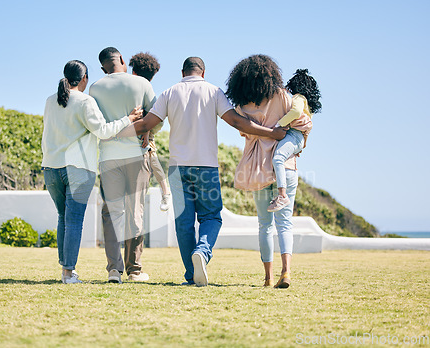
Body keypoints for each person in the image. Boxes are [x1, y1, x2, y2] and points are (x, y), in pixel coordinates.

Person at [114, 57, 287, 286]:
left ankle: (191, 276)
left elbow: (147, 123)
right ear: (202, 72)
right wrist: (270, 132)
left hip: (178, 168)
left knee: (183, 223)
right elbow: (236, 122)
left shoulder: (169, 93)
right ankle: (203, 252)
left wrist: (116, 132)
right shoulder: (213, 91)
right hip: (206, 166)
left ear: (182, 72)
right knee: (211, 216)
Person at [41, 60, 142, 284]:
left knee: (63, 217)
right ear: (84, 78)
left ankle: (66, 268)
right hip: (78, 169)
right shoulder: (86, 101)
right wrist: (129, 118)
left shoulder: (50, 101)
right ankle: (68, 272)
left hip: (50, 167)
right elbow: (104, 131)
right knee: (74, 220)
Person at [226, 54, 310, 289]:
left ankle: (268, 277)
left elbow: (244, 132)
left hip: (258, 169)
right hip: (286, 167)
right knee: (285, 223)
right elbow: (302, 123)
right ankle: (287, 273)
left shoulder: (242, 106)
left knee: (265, 225)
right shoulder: (283, 96)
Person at [89, 47, 156, 284]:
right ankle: (135, 270)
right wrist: (146, 131)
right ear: (122, 60)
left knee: (111, 213)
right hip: (137, 156)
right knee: (135, 210)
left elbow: (96, 125)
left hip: (108, 157)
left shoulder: (94, 88)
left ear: (102, 67)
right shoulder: (141, 84)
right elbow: (156, 116)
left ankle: (113, 271)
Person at [267, 69, 321, 212]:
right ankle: (282, 194)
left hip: (294, 134)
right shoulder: (309, 105)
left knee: (278, 158)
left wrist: (279, 123)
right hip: (299, 138)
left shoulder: (298, 98)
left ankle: (282, 195)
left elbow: (295, 112)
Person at [128, 52, 171, 211]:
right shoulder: (145, 87)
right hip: (142, 128)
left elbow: (151, 112)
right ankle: (165, 191)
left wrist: (146, 131)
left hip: (144, 128)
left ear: (133, 72)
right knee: (152, 156)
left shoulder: (135, 87)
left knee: (151, 153)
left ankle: (165, 191)